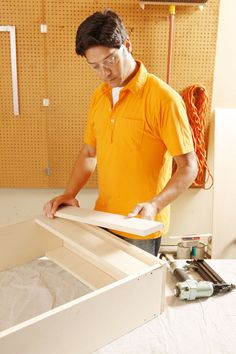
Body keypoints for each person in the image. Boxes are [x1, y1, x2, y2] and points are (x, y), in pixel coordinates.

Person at [43, 9, 197, 256]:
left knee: (135, 294)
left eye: (110, 60)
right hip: (103, 217)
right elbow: (89, 152)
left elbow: (189, 166)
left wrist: (154, 205)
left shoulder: (164, 99)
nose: (105, 73)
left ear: (127, 44)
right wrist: (69, 194)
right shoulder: (100, 96)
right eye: (95, 66)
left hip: (140, 225)